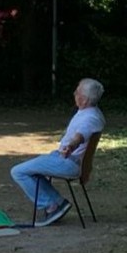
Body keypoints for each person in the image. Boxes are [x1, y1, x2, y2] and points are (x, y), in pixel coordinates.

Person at [11, 78, 105, 226]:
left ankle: (52, 205)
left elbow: (80, 136)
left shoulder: (90, 118)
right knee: (31, 170)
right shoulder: (91, 112)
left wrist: (71, 146)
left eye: (77, 91)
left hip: (68, 161)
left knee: (18, 172)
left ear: (84, 99)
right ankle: (56, 203)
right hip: (64, 157)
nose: (74, 93)